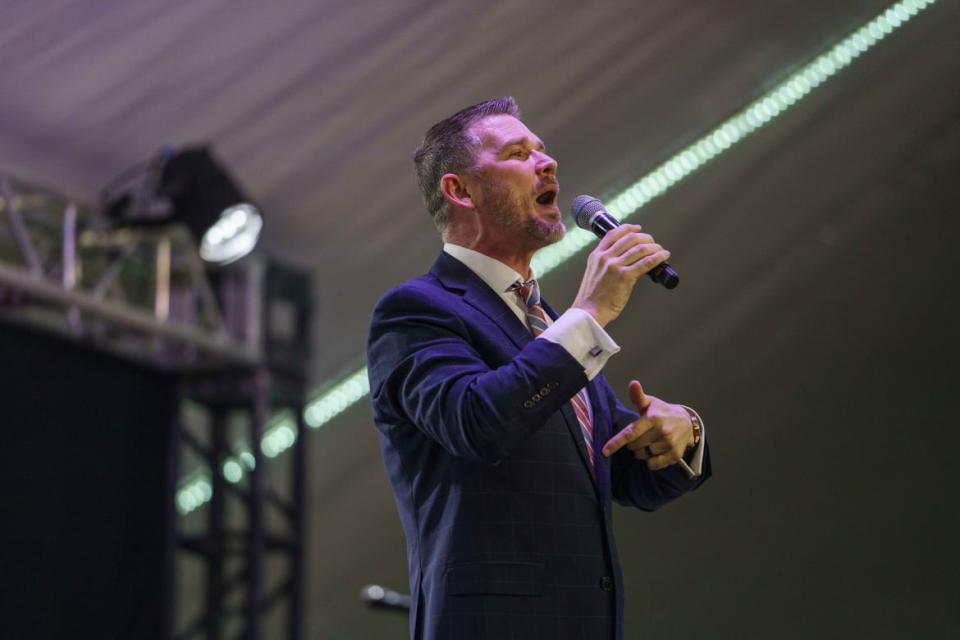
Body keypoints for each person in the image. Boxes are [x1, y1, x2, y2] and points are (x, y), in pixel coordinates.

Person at [367, 97, 711, 640]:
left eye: (543, 151)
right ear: (460, 191)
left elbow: (629, 474)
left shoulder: (547, 325)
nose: (546, 163)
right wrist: (590, 313)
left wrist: (680, 431)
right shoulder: (416, 311)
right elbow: (477, 422)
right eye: (518, 153)